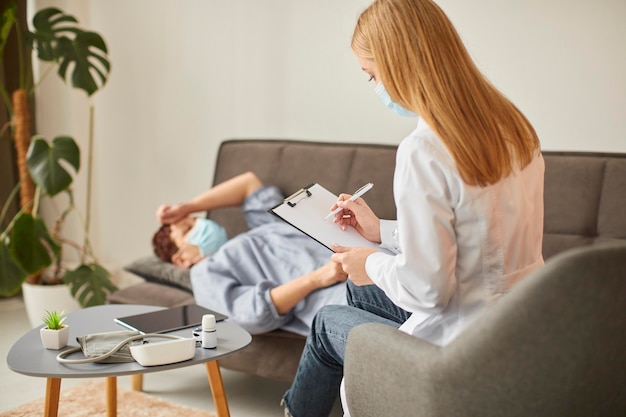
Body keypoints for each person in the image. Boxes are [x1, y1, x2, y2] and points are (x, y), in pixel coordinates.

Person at [281, 0, 545, 415]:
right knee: (356, 289)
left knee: (327, 320)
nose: (375, 88)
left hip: (459, 346)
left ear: (398, 64)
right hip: (517, 322)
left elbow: (428, 290)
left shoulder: (424, 149)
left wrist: (369, 263)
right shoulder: (512, 127)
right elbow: (478, 232)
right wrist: (379, 233)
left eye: (372, 75)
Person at [153, 171, 348, 336]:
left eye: (195, 220)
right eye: (188, 229)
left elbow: (248, 182)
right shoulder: (205, 272)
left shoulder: (265, 226)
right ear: (181, 259)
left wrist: (186, 208)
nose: (199, 225)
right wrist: (317, 278)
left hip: (365, 262)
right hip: (341, 297)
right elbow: (249, 315)